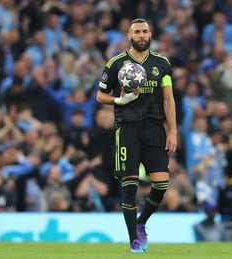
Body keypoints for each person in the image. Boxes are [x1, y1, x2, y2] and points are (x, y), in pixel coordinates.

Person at [96, 18, 177, 253]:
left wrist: (172, 130)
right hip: (127, 128)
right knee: (129, 186)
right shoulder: (116, 63)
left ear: (150, 34)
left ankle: (141, 223)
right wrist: (119, 100)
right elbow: (100, 96)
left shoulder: (162, 63)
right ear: (129, 36)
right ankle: (133, 240)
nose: (141, 35)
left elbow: (168, 98)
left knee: (161, 184)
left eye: (145, 31)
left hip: (154, 128)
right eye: (137, 32)